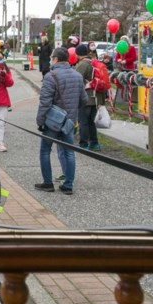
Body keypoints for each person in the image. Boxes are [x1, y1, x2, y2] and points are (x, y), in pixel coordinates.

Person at [35, 47, 87, 195]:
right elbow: (83, 99)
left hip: (52, 121)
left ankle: (48, 183)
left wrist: (40, 120)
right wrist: (73, 112)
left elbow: (45, 102)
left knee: (45, 150)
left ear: (56, 59)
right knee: (69, 152)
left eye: (52, 58)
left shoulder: (50, 76)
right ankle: (68, 185)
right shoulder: (77, 76)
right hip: (69, 121)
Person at [73, 43, 103, 151]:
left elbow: (77, 80)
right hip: (96, 97)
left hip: (86, 97)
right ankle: (94, 143)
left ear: (79, 54)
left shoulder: (82, 65)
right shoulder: (95, 62)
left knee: (83, 121)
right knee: (91, 122)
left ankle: (84, 144)